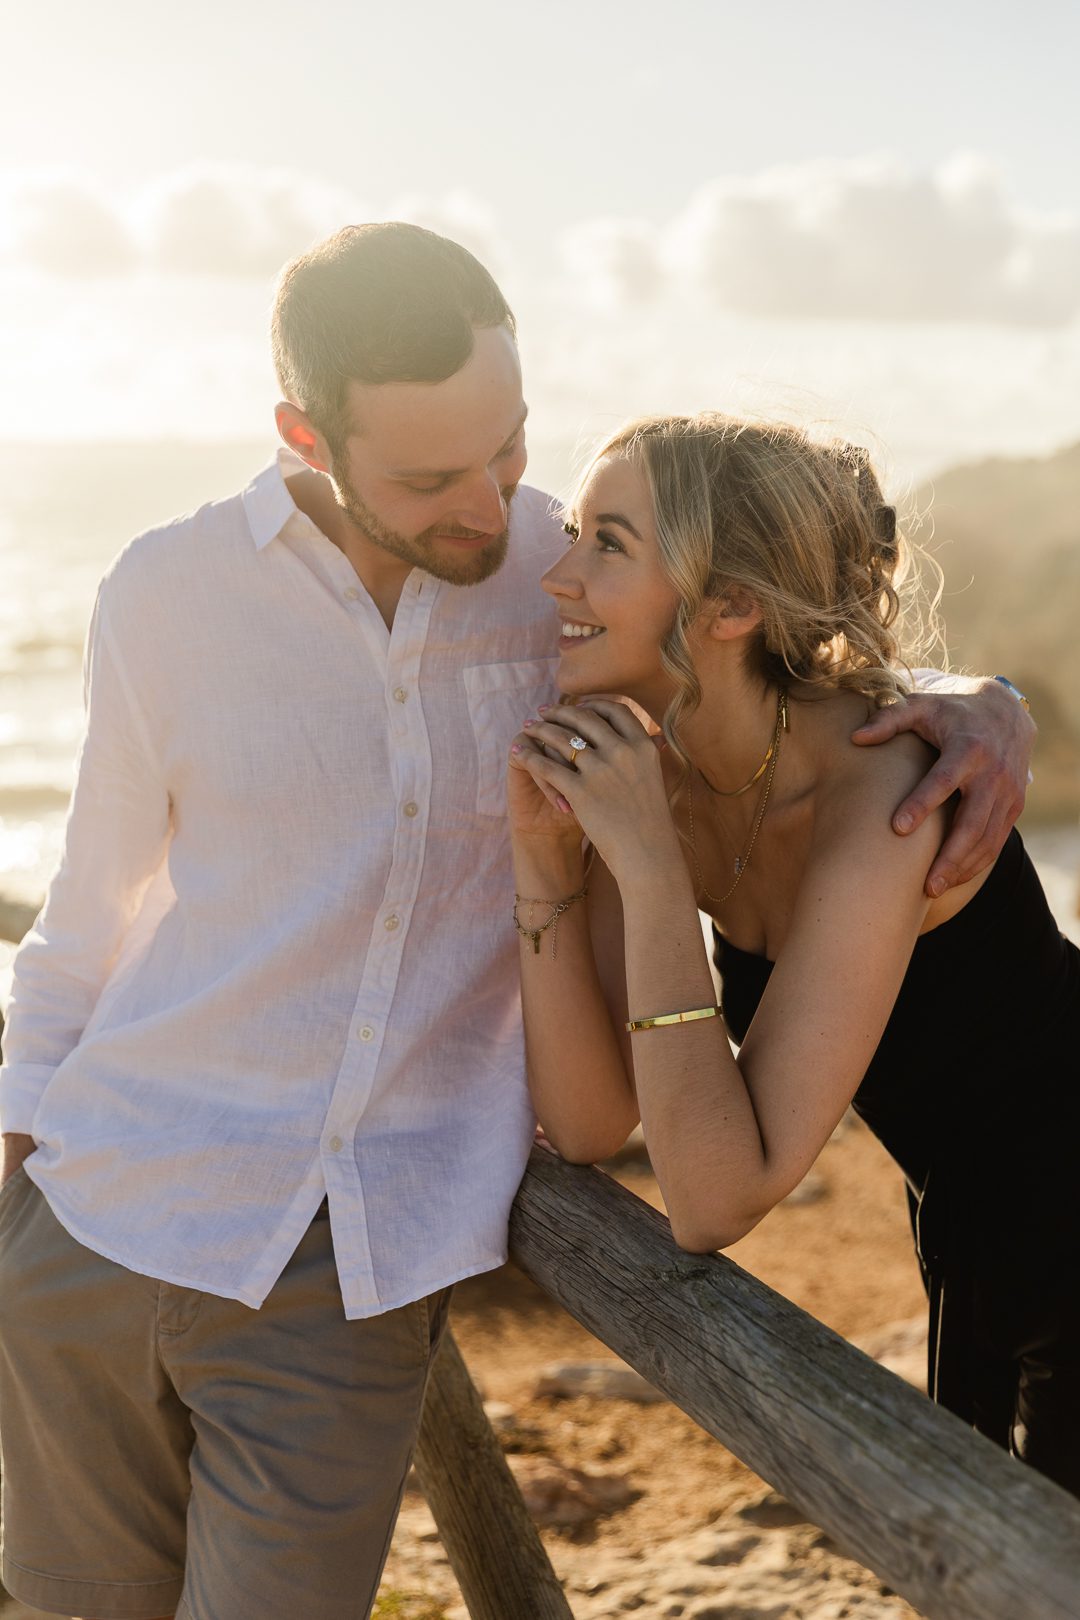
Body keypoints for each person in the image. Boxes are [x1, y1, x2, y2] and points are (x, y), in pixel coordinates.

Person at [0, 230, 1035, 1620]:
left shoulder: (567, 584)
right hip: (100, 1214)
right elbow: (87, 911)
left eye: (512, 447)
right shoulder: (168, 590)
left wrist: (988, 699)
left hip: (352, 1269)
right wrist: (16, 1163)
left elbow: (775, 619)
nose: (498, 515)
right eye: (431, 478)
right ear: (308, 436)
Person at [507, 411, 1078, 1497]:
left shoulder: (885, 797)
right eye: (574, 533)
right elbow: (586, 1121)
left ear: (730, 607)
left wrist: (651, 875)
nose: (559, 576)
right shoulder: (654, 773)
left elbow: (716, 1199)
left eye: (608, 544)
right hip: (975, 1220)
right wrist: (546, 859)